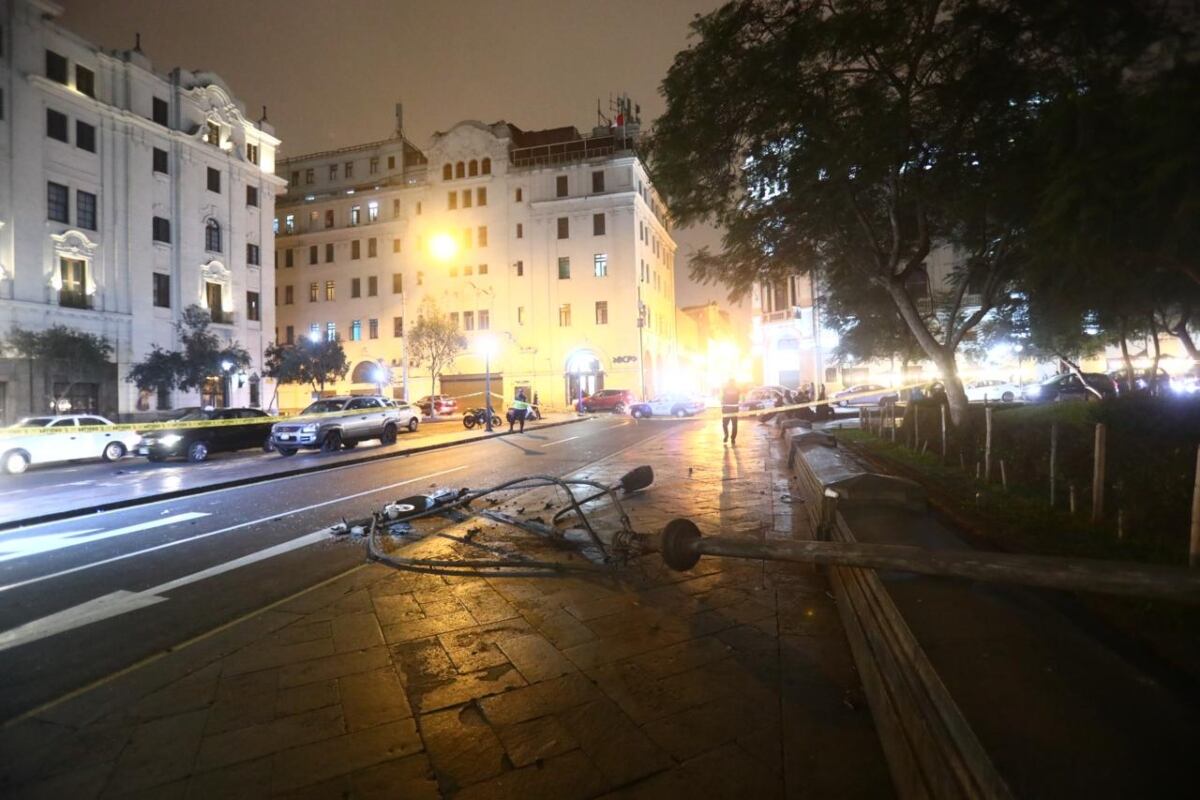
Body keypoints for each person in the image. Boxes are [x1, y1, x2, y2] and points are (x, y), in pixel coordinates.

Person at [721, 379, 740, 444]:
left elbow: (722, 398)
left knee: (725, 424)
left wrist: (723, 408)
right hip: (734, 409)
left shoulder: (725, 389)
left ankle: (726, 435)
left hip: (726, 409)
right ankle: (733, 439)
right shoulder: (737, 389)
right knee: (734, 425)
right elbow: (738, 398)